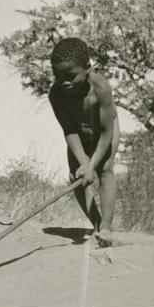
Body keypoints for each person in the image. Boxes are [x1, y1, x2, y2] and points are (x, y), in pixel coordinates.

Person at [48, 38, 120, 247]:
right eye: (58, 76)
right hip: (78, 134)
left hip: (105, 132)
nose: (65, 82)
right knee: (76, 176)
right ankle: (96, 224)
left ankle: (106, 227)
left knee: (105, 168)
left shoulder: (101, 88)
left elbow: (107, 132)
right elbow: (69, 130)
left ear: (87, 68)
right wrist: (83, 163)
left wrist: (92, 165)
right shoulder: (56, 94)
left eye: (71, 76)